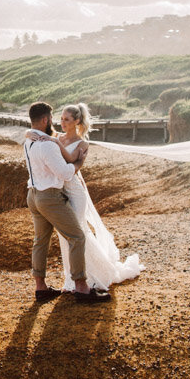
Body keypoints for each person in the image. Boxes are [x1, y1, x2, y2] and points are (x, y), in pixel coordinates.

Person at [27, 103, 143, 293]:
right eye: (61, 118)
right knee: (68, 238)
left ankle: (89, 277)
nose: (62, 122)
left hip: (73, 190)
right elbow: (39, 137)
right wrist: (38, 136)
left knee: (78, 233)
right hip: (58, 192)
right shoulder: (55, 138)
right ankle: (73, 280)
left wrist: (67, 152)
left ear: (77, 121)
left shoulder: (80, 143)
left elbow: (71, 161)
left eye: (67, 119)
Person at [24, 102, 110, 304]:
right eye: (54, 118)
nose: (56, 122)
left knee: (40, 240)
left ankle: (41, 288)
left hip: (32, 195)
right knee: (78, 236)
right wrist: (79, 163)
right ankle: (81, 287)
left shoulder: (29, 141)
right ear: (45, 120)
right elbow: (64, 173)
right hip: (49, 197)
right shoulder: (48, 144)